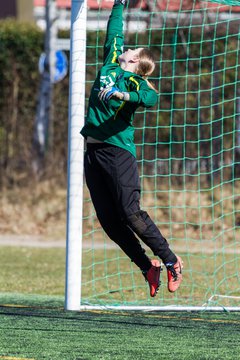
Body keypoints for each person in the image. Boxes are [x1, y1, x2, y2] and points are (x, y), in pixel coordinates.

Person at [80, 0, 183, 297]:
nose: (129, 48)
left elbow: (149, 99)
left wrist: (121, 93)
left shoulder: (137, 82)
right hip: (94, 152)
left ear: (138, 62)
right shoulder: (111, 63)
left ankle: (171, 260)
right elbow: (115, 32)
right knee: (109, 222)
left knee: (130, 212)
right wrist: (119, 4)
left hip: (117, 153)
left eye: (134, 51)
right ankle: (147, 267)